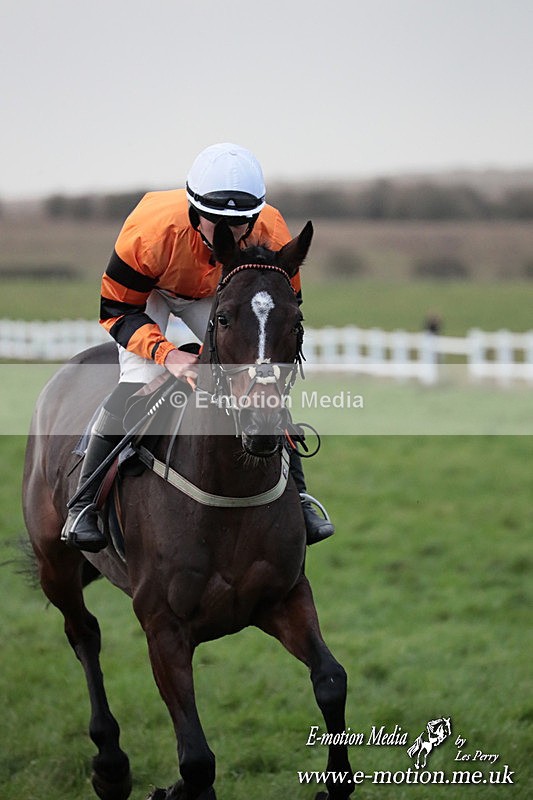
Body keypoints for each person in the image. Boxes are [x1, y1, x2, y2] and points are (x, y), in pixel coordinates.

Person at [62, 143, 335, 552]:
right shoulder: (149, 234)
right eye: (216, 222)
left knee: (260, 380)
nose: (231, 234)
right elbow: (117, 309)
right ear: (193, 209)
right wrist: (168, 354)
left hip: (223, 294)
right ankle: (83, 503)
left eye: (242, 222)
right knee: (138, 382)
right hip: (149, 293)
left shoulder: (272, 230)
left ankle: (299, 496)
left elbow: (279, 311)